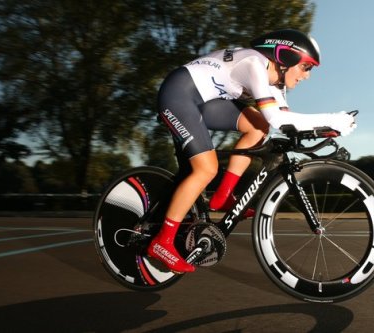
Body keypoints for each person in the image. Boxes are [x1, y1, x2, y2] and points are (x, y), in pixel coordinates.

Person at [148, 29, 357, 273]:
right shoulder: (254, 64)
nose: (307, 76)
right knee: (206, 168)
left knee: (259, 127)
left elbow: (286, 123)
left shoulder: (276, 83)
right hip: (179, 95)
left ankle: (223, 195)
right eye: (306, 68)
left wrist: (326, 129)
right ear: (286, 58)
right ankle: (162, 241)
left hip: (204, 101)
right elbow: (277, 117)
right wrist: (331, 119)